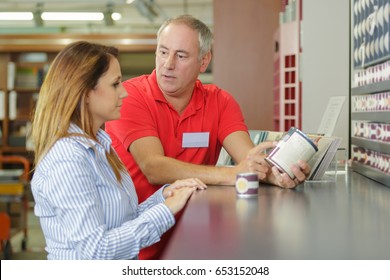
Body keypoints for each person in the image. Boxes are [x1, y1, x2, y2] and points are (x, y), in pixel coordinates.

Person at [105, 15, 310, 259]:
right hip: (136, 246)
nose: (168, 64)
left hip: (195, 237)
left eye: (181, 56)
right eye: (163, 52)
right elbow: (153, 167)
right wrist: (234, 173)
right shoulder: (131, 97)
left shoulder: (219, 102)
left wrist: (276, 175)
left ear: (204, 61)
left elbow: (250, 161)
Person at [29, 41, 206, 260]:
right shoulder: (67, 159)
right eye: (115, 84)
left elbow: (124, 221)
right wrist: (166, 211)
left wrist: (164, 196)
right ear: (84, 92)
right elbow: (96, 250)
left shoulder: (100, 146)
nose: (124, 93)